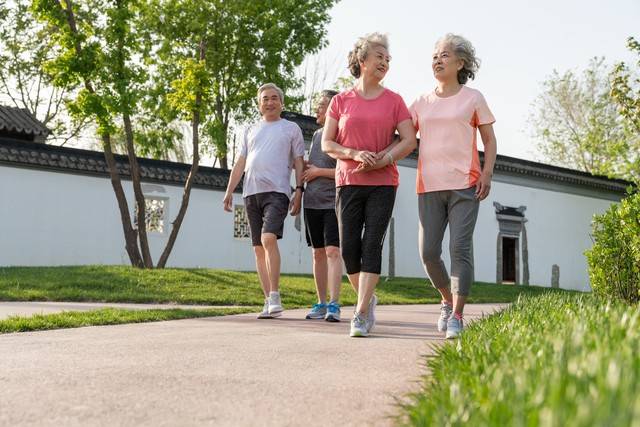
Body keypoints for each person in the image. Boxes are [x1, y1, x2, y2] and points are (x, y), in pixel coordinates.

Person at [322, 33, 417, 337]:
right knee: (350, 249)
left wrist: (385, 158)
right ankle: (368, 296)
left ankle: (361, 313)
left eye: (388, 59)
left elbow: (409, 140)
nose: (385, 62)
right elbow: (327, 143)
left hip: (383, 183)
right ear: (362, 61)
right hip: (348, 181)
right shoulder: (340, 101)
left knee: (371, 243)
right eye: (379, 56)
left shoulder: (395, 101)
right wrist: (352, 153)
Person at [409, 34, 497, 339]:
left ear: (460, 63)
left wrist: (487, 173)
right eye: (435, 55)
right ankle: (446, 299)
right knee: (429, 253)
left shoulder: (473, 98)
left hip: (465, 185)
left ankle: (457, 314)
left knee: (460, 248)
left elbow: (489, 140)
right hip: (429, 185)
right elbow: (403, 136)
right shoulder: (420, 102)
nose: (437, 60)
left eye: (444, 55)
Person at [223, 83, 305, 319]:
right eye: (265, 99)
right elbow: (241, 163)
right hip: (251, 193)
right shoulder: (250, 129)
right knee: (258, 248)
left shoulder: (291, 129)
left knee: (268, 238)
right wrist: (230, 191)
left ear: (281, 103)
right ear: (259, 104)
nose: (269, 102)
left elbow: (299, 162)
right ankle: (268, 300)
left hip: (277, 192)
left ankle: (276, 294)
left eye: (274, 98)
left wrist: (299, 189)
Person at [303, 90, 344, 322]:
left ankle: (334, 304)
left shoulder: (341, 133)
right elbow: (314, 166)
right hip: (312, 202)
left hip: (332, 202)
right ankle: (320, 302)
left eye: (322, 104)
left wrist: (318, 171)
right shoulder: (317, 134)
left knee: (332, 251)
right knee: (318, 253)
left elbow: (344, 169)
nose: (317, 109)